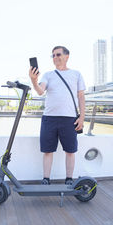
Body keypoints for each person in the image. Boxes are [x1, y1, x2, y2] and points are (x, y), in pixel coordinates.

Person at [29, 46, 86, 185]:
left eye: (58, 54)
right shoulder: (48, 75)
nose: (55, 57)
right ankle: (46, 179)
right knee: (47, 151)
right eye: (53, 55)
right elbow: (40, 91)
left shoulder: (76, 74)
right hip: (49, 118)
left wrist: (82, 117)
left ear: (67, 56)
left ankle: (68, 179)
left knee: (70, 151)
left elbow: (81, 96)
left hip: (69, 119)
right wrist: (34, 80)